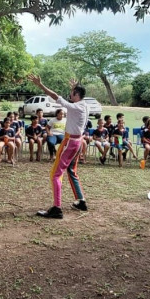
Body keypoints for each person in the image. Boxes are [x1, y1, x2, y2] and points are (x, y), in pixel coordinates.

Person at [27, 74, 89, 219]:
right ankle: (81, 201)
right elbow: (73, 97)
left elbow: (55, 96)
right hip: (78, 141)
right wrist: (74, 86)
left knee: (55, 174)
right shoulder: (84, 105)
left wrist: (40, 85)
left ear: (76, 95)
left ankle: (57, 208)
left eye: (72, 93)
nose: (70, 94)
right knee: (71, 171)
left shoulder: (75, 107)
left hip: (70, 142)